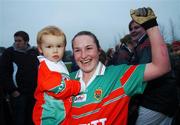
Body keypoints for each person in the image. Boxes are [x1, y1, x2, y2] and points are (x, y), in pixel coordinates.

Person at [61, 7, 171, 125]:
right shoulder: (64, 80)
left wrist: (151, 26)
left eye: (89, 48)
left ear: (99, 51)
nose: (83, 55)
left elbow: (161, 66)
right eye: (77, 50)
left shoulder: (120, 75)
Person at [128, 16, 179, 125]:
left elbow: (143, 74)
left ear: (145, 28)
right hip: (164, 99)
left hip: (155, 101)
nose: (133, 31)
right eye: (131, 29)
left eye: (136, 27)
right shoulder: (145, 43)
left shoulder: (146, 44)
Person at [32, 26, 84, 125]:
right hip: (48, 115)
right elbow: (58, 86)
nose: (55, 50)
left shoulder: (58, 63)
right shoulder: (45, 66)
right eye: (49, 47)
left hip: (60, 113)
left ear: (64, 47)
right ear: (40, 49)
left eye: (59, 46)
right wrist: (78, 86)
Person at [0, 31, 39, 125]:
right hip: (18, 94)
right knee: (19, 119)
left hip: (33, 93)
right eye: (15, 40)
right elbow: (3, 73)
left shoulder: (33, 53)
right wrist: (12, 90)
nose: (16, 43)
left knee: (32, 118)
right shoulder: (9, 52)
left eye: (19, 40)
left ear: (26, 41)